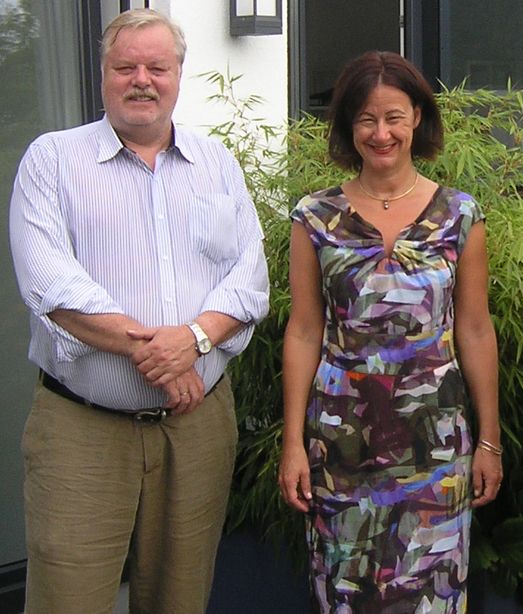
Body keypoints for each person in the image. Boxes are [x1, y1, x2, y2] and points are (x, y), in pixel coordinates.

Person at [7, 8, 270, 614]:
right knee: (67, 600)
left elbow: (249, 277)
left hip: (196, 430)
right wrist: (161, 353)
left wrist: (196, 341)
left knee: (180, 599)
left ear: (180, 74)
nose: (142, 79)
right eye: (126, 67)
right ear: (104, 75)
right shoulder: (52, 160)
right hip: (83, 430)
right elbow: (52, 284)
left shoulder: (217, 165)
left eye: (158, 66)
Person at [277, 51, 501, 613]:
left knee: (432, 591)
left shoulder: (460, 216)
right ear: (348, 127)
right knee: (345, 588)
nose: (382, 133)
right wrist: (292, 444)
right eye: (367, 120)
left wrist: (489, 441)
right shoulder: (314, 218)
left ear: (418, 119)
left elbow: (474, 330)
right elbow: (304, 331)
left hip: (435, 444)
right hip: (341, 442)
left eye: (395, 117)